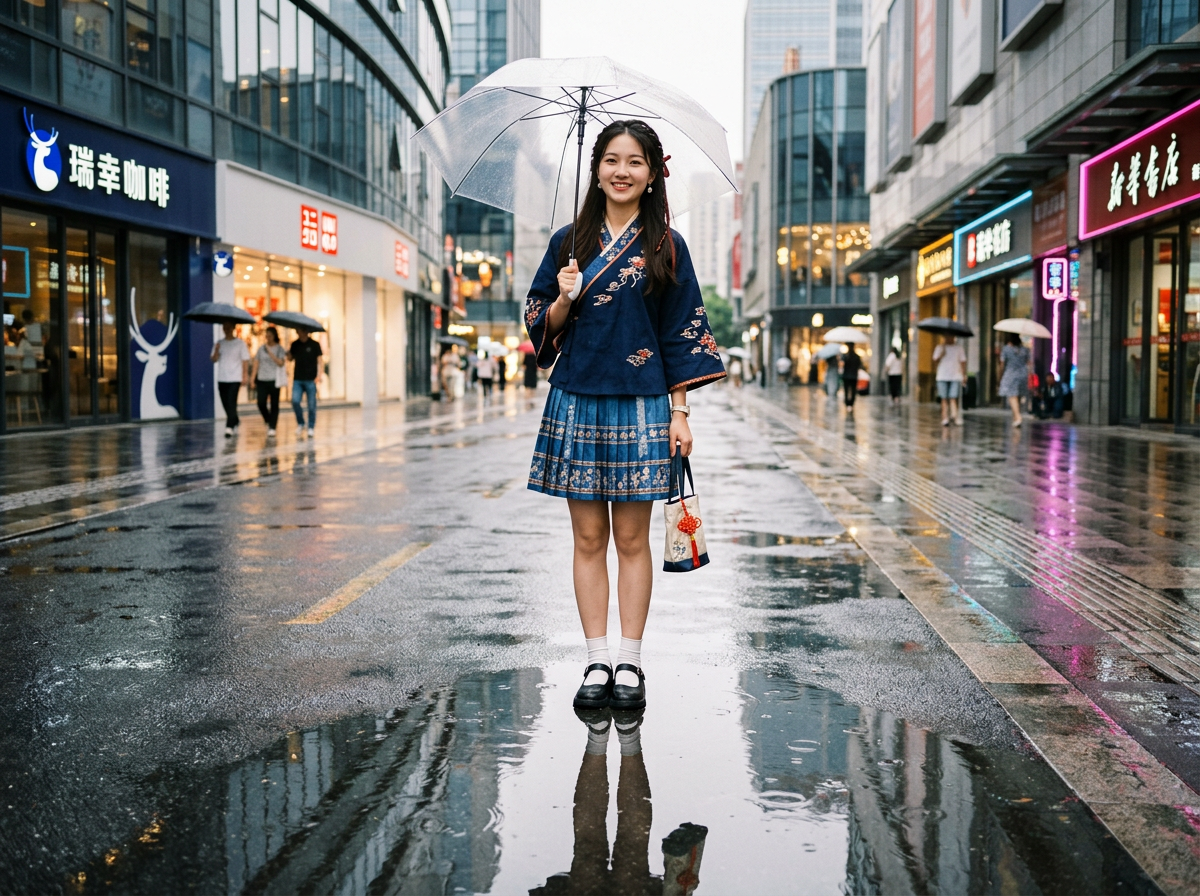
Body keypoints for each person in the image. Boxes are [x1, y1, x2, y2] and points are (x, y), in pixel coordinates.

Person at [525, 119, 726, 713]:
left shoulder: (667, 244)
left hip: (643, 402)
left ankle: (631, 661)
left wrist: (680, 411)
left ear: (652, 173)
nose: (621, 171)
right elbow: (542, 325)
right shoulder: (568, 243)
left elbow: (681, 331)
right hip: (578, 396)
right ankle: (594, 658)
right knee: (588, 538)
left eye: (634, 161)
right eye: (610, 159)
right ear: (595, 170)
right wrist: (566, 296)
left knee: (632, 538)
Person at [211, 322, 250, 437]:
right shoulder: (219, 343)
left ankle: (229, 427)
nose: (226, 329)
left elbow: (245, 360)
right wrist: (217, 350)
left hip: (235, 378)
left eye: (228, 327)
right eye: (224, 327)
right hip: (222, 378)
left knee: (231, 401)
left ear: (233, 328)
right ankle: (235, 419)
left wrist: (244, 376)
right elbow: (214, 359)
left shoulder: (240, 344)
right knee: (225, 402)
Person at [251, 325, 287, 436]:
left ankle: (272, 427)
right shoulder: (261, 348)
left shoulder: (279, 349)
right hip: (262, 379)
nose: (268, 338)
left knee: (274, 404)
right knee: (261, 402)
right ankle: (268, 419)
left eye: (270, 335)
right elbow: (256, 363)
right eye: (266, 336)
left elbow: (281, 363)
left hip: (274, 380)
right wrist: (253, 378)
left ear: (274, 336)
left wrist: (270, 353)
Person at [288, 328, 322, 439]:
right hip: (298, 378)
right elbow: (290, 358)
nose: (298, 332)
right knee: (295, 401)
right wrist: (288, 351)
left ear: (306, 331)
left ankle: (311, 426)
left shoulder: (314, 345)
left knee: (312, 405)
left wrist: (319, 375)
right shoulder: (295, 344)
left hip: (310, 379)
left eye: (300, 330)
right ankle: (301, 423)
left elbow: (320, 361)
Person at [932, 334, 967, 426]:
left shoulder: (959, 348)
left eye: (951, 336)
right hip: (942, 376)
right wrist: (941, 354)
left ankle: (954, 416)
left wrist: (964, 375)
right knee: (944, 398)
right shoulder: (939, 347)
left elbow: (963, 362)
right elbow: (935, 360)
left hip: (955, 376)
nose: (949, 338)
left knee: (953, 397)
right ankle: (945, 418)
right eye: (947, 337)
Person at [997, 332, 1031, 427]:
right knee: (1018, 396)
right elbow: (1029, 363)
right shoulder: (1025, 349)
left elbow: (1002, 364)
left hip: (1010, 374)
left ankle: (1018, 416)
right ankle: (1015, 417)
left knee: (1012, 396)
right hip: (1023, 374)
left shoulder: (1006, 349)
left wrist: (1000, 375)